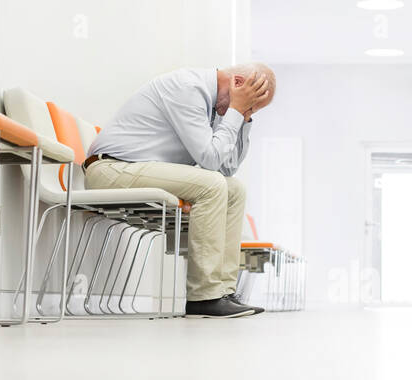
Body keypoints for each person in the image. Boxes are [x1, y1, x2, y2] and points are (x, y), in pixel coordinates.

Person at [84, 63, 276, 318]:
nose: (244, 113)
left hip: (137, 168)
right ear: (238, 84)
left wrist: (244, 118)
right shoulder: (188, 89)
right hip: (110, 169)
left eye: (251, 110)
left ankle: (224, 291)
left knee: (234, 190)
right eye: (249, 105)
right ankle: (204, 296)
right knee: (212, 185)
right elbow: (209, 160)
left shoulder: (215, 106)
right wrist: (237, 109)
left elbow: (227, 168)